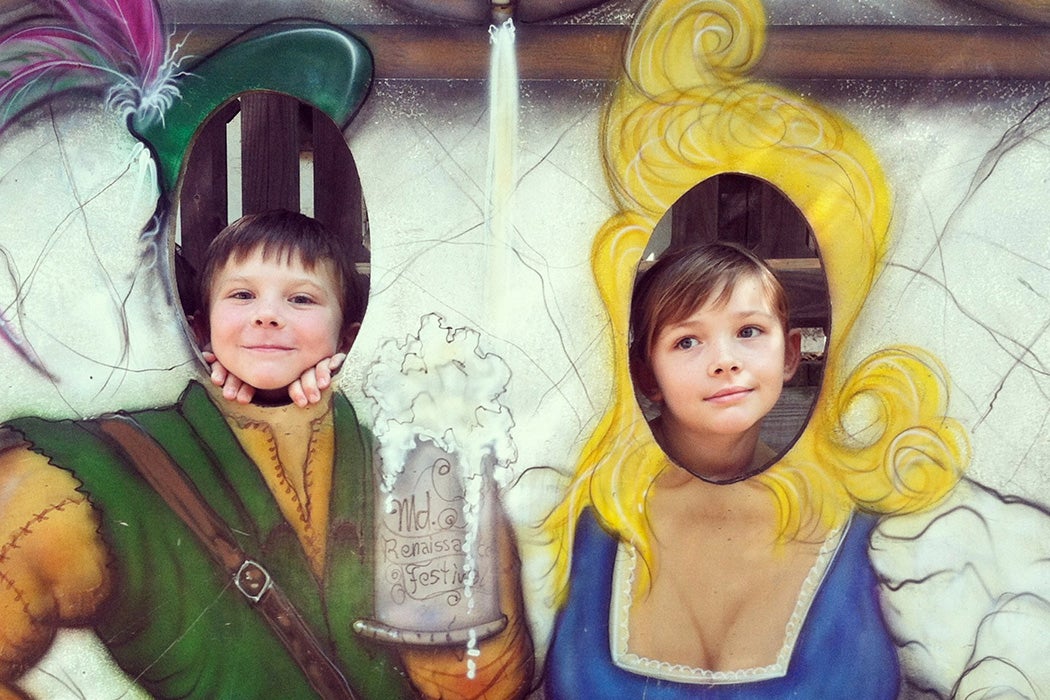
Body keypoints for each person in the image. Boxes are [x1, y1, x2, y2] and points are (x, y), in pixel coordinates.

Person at [0, 210, 532, 699]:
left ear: (347, 333)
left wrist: (428, 486)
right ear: (200, 325)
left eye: (301, 299)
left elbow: (479, 687)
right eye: (241, 296)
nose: (268, 317)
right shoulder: (102, 468)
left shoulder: (412, 467)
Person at [542, 242, 902, 697]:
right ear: (647, 374)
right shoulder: (588, 516)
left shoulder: (865, 523)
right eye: (687, 341)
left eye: (749, 331)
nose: (725, 361)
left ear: (791, 354)